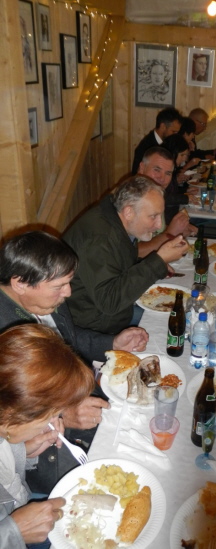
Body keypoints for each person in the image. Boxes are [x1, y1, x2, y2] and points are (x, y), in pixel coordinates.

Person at [0, 230, 149, 492]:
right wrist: (63, 415)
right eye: (60, 286)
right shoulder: (6, 335)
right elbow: (8, 420)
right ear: (20, 283)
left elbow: (67, 339)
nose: (68, 292)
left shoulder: (44, 299)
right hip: (44, 447)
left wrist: (112, 343)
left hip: (82, 395)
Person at [0, 323, 95, 549]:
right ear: (13, 415)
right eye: (51, 414)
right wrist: (13, 532)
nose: (55, 420)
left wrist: (24, 452)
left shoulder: (5, 425)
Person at [63, 175, 189, 334]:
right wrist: (158, 260)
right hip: (94, 328)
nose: (158, 225)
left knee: (179, 315)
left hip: (112, 316)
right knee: (173, 324)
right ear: (129, 212)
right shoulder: (99, 239)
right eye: (153, 216)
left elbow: (117, 264)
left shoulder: (116, 221)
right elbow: (109, 302)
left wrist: (156, 264)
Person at [136, 147, 197, 257]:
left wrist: (178, 230)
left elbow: (157, 232)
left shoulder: (155, 195)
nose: (162, 178)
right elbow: (134, 252)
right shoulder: (130, 200)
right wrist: (170, 233)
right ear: (142, 167)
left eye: (168, 173)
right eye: (157, 170)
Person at [131, 108, 182, 175]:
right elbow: (138, 176)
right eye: (173, 131)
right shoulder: (146, 147)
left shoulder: (167, 142)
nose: (176, 135)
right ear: (163, 126)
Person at [161, 135, 199, 224]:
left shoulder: (172, 169)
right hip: (165, 218)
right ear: (173, 153)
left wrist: (185, 190)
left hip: (172, 212)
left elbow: (171, 190)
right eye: (181, 155)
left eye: (185, 155)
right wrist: (185, 198)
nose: (184, 159)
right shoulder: (164, 171)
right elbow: (163, 197)